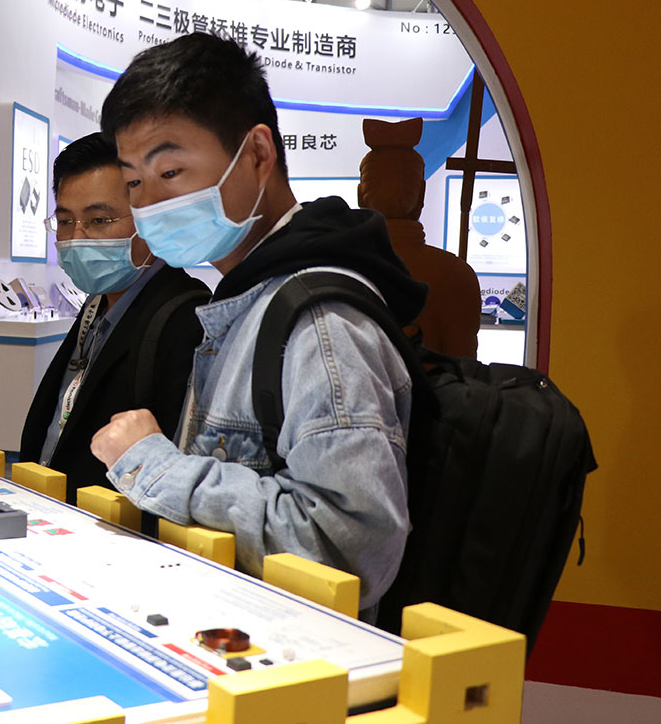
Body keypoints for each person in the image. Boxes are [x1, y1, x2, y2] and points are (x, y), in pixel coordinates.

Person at [87, 32, 427, 618]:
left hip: (296, 657)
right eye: (135, 182)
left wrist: (155, 465)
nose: (151, 203)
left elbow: (348, 550)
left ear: (258, 155)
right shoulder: (249, 296)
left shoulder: (321, 324)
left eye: (171, 170)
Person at [19, 134, 207, 501]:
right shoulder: (97, 305)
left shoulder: (186, 319)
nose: (76, 237)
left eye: (99, 219)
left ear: (150, 219)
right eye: (65, 221)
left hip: (115, 524)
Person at [357, 116, 481, 360]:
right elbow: (465, 371)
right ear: (421, 196)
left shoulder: (339, 269)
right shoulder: (456, 274)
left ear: (361, 197)